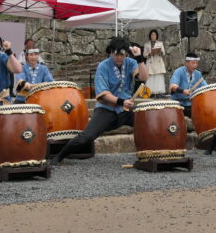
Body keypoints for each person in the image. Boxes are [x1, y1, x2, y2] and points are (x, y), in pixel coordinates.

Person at [50, 37, 147, 165]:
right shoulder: (103, 66)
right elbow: (104, 94)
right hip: (106, 109)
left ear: (126, 54)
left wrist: (139, 58)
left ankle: (149, 153)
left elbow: (144, 77)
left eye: (122, 54)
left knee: (146, 124)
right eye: (116, 54)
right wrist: (122, 101)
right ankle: (59, 156)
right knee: (87, 137)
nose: (119, 57)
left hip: (125, 110)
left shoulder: (130, 62)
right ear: (111, 52)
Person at [169, 51, 206, 117]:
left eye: (197, 63)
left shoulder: (198, 74)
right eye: (193, 63)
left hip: (193, 104)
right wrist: (183, 91)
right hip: (179, 105)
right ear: (186, 63)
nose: (195, 65)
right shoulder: (178, 72)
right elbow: (172, 87)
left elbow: (205, 87)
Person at [144, 29, 167, 94]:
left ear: (156, 36)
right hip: (150, 61)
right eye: (152, 35)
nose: (153, 36)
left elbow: (163, 53)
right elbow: (144, 55)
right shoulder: (146, 44)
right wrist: (149, 53)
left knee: (158, 77)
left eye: (154, 35)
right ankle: (150, 92)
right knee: (150, 77)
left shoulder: (160, 43)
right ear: (150, 36)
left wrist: (160, 51)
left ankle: (159, 92)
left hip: (158, 61)